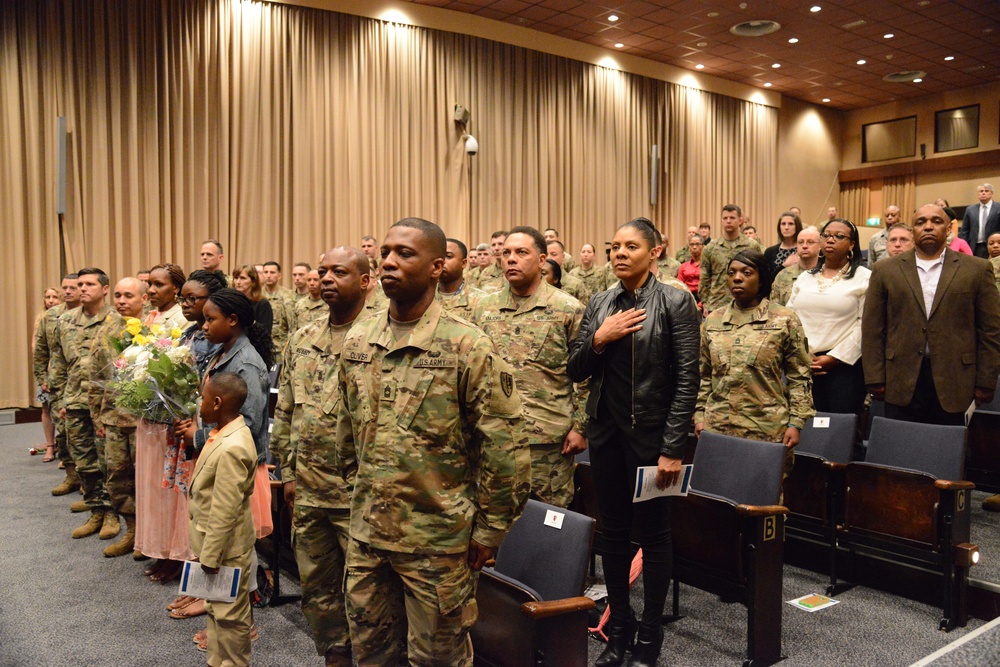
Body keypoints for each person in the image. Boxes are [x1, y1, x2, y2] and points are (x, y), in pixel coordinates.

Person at [335, 217, 529, 665]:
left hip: (438, 543)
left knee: (437, 660)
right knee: (371, 655)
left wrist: (490, 529)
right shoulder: (359, 341)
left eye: (405, 253)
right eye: (385, 252)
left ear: (437, 267)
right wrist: (357, 495)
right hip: (367, 536)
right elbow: (347, 432)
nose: (388, 262)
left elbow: (507, 448)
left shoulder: (467, 346)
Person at [568, 217, 700, 667]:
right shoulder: (601, 302)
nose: (619, 253)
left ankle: (649, 636)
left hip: (652, 441)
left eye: (630, 246)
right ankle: (618, 628)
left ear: (655, 252)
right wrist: (600, 339)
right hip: (606, 435)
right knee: (615, 536)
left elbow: (687, 381)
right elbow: (576, 369)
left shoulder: (675, 302)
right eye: (614, 247)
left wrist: (673, 448)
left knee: (655, 537)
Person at [271, 247, 371, 667]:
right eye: (322, 271)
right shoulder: (303, 336)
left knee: (367, 594)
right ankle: (335, 655)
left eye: (339, 272)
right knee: (318, 586)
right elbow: (287, 408)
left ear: (367, 280)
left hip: (360, 494)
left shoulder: (380, 335)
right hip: (310, 489)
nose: (327, 278)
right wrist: (287, 472)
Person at [474, 226, 587, 508]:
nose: (511, 259)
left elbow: (586, 375)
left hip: (548, 440)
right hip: (494, 437)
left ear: (541, 260)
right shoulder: (484, 309)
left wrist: (582, 427)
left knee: (550, 525)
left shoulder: (568, 309)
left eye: (521, 253)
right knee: (495, 524)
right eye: (506, 253)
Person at [863, 204, 1000, 428]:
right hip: (900, 377)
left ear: (948, 229)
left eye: (936, 222)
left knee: (947, 453)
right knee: (900, 452)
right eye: (920, 222)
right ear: (912, 230)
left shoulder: (976, 269)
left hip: (956, 379)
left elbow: (990, 330)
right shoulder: (885, 270)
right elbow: (872, 329)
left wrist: (986, 381)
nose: (928, 227)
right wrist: (874, 377)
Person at [695, 249, 814, 473]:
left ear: (761, 279)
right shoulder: (713, 321)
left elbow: (800, 376)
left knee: (763, 500)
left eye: (746, 272)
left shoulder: (784, 319)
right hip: (718, 425)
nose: (737, 278)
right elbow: (704, 375)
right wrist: (700, 415)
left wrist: (796, 422)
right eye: (732, 273)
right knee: (717, 499)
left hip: (767, 428)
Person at [186, 372, 258, 667]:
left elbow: (225, 510)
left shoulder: (233, 447)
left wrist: (211, 556)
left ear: (217, 403)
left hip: (224, 551)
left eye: (202, 398)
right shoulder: (222, 434)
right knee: (216, 613)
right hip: (215, 549)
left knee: (230, 622)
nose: (198, 404)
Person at [50, 268, 118, 540]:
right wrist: (59, 398)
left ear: (104, 288)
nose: (83, 289)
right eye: (80, 284)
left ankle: (113, 513)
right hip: (75, 400)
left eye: (90, 284)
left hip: (106, 404)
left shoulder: (117, 320)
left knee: (107, 461)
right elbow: (58, 361)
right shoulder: (65, 320)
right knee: (84, 461)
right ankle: (96, 511)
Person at [135, 263, 192, 581]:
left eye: (158, 285)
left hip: (171, 416)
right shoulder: (150, 316)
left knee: (170, 490)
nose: (151, 291)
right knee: (153, 485)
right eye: (150, 285)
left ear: (177, 289)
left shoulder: (182, 319)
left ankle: (176, 553)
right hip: (151, 414)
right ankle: (159, 549)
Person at [89, 277, 148, 557]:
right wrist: (97, 417)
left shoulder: (155, 328)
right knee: (117, 479)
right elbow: (95, 376)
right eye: (118, 295)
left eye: (129, 296)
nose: (122, 301)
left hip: (143, 422)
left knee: (145, 480)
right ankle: (132, 532)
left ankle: (150, 536)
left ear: (144, 299)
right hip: (113, 418)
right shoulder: (106, 330)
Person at [787, 219, 870, 416]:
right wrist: (801, 353)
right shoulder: (806, 277)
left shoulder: (864, 277)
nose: (830, 240)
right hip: (803, 363)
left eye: (839, 236)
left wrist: (834, 358)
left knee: (839, 430)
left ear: (852, 244)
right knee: (805, 427)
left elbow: (864, 325)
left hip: (843, 368)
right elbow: (790, 317)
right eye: (826, 235)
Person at [37, 274, 82, 493]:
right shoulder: (51, 316)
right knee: (63, 433)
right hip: (58, 383)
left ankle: (89, 481)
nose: (68, 291)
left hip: (83, 384)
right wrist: (42, 378)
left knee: (84, 434)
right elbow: (41, 349)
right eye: (65, 287)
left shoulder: (89, 314)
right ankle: (71, 476)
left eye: (73, 287)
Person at [698, 204, 762, 315]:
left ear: (740, 220)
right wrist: (706, 303)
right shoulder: (711, 248)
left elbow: (760, 275)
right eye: (725, 218)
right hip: (718, 304)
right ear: (721, 221)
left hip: (746, 303)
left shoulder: (752, 246)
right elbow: (704, 278)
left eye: (732, 218)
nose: (728, 221)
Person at [31, 287, 61, 462]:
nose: (51, 300)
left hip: (61, 370)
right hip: (47, 371)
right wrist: (44, 369)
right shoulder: (40, 318)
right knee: (46, 407)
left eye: (55, 297)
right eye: (48, 297)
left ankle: (64, 446)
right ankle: (50, 445)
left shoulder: (66, 316)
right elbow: (36, 347)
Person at [771, 227, 821, 305]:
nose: (804, 246)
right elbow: (774, 308)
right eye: (800, 242)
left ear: (820, 246)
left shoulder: (827, 274)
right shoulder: (782, 276)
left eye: (810, 242)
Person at [436, 238, 484, 319]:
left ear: (463, 263)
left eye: (448, 256)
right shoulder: (423, 299)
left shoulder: (482, 300)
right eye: (439, 256)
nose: (442, 261)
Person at [232, 265, 273, 340]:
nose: (238, 282)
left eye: (243, 278)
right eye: (236, 278)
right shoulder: (230, 302)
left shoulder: (262, 304)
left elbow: (265, 334)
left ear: (253, 282)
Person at [959, 184, 999, 258]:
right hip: (975, 246)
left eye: (986, 191)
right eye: (981, 191)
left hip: (994, 246)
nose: (983, 193)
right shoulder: (970, 210)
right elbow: (964, 231)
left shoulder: (998, 207)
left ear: (992, 193)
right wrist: (963, 246)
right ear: (978, 194)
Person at [677, 233, 704, 302]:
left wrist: (701, 304)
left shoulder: (707, 266)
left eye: (697, 244)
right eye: (692, 244)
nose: (694, 247)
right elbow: (679, 285)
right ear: (689, 247)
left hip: (704, 299)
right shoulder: (683, 266)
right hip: (687, 298)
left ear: (702, 246)